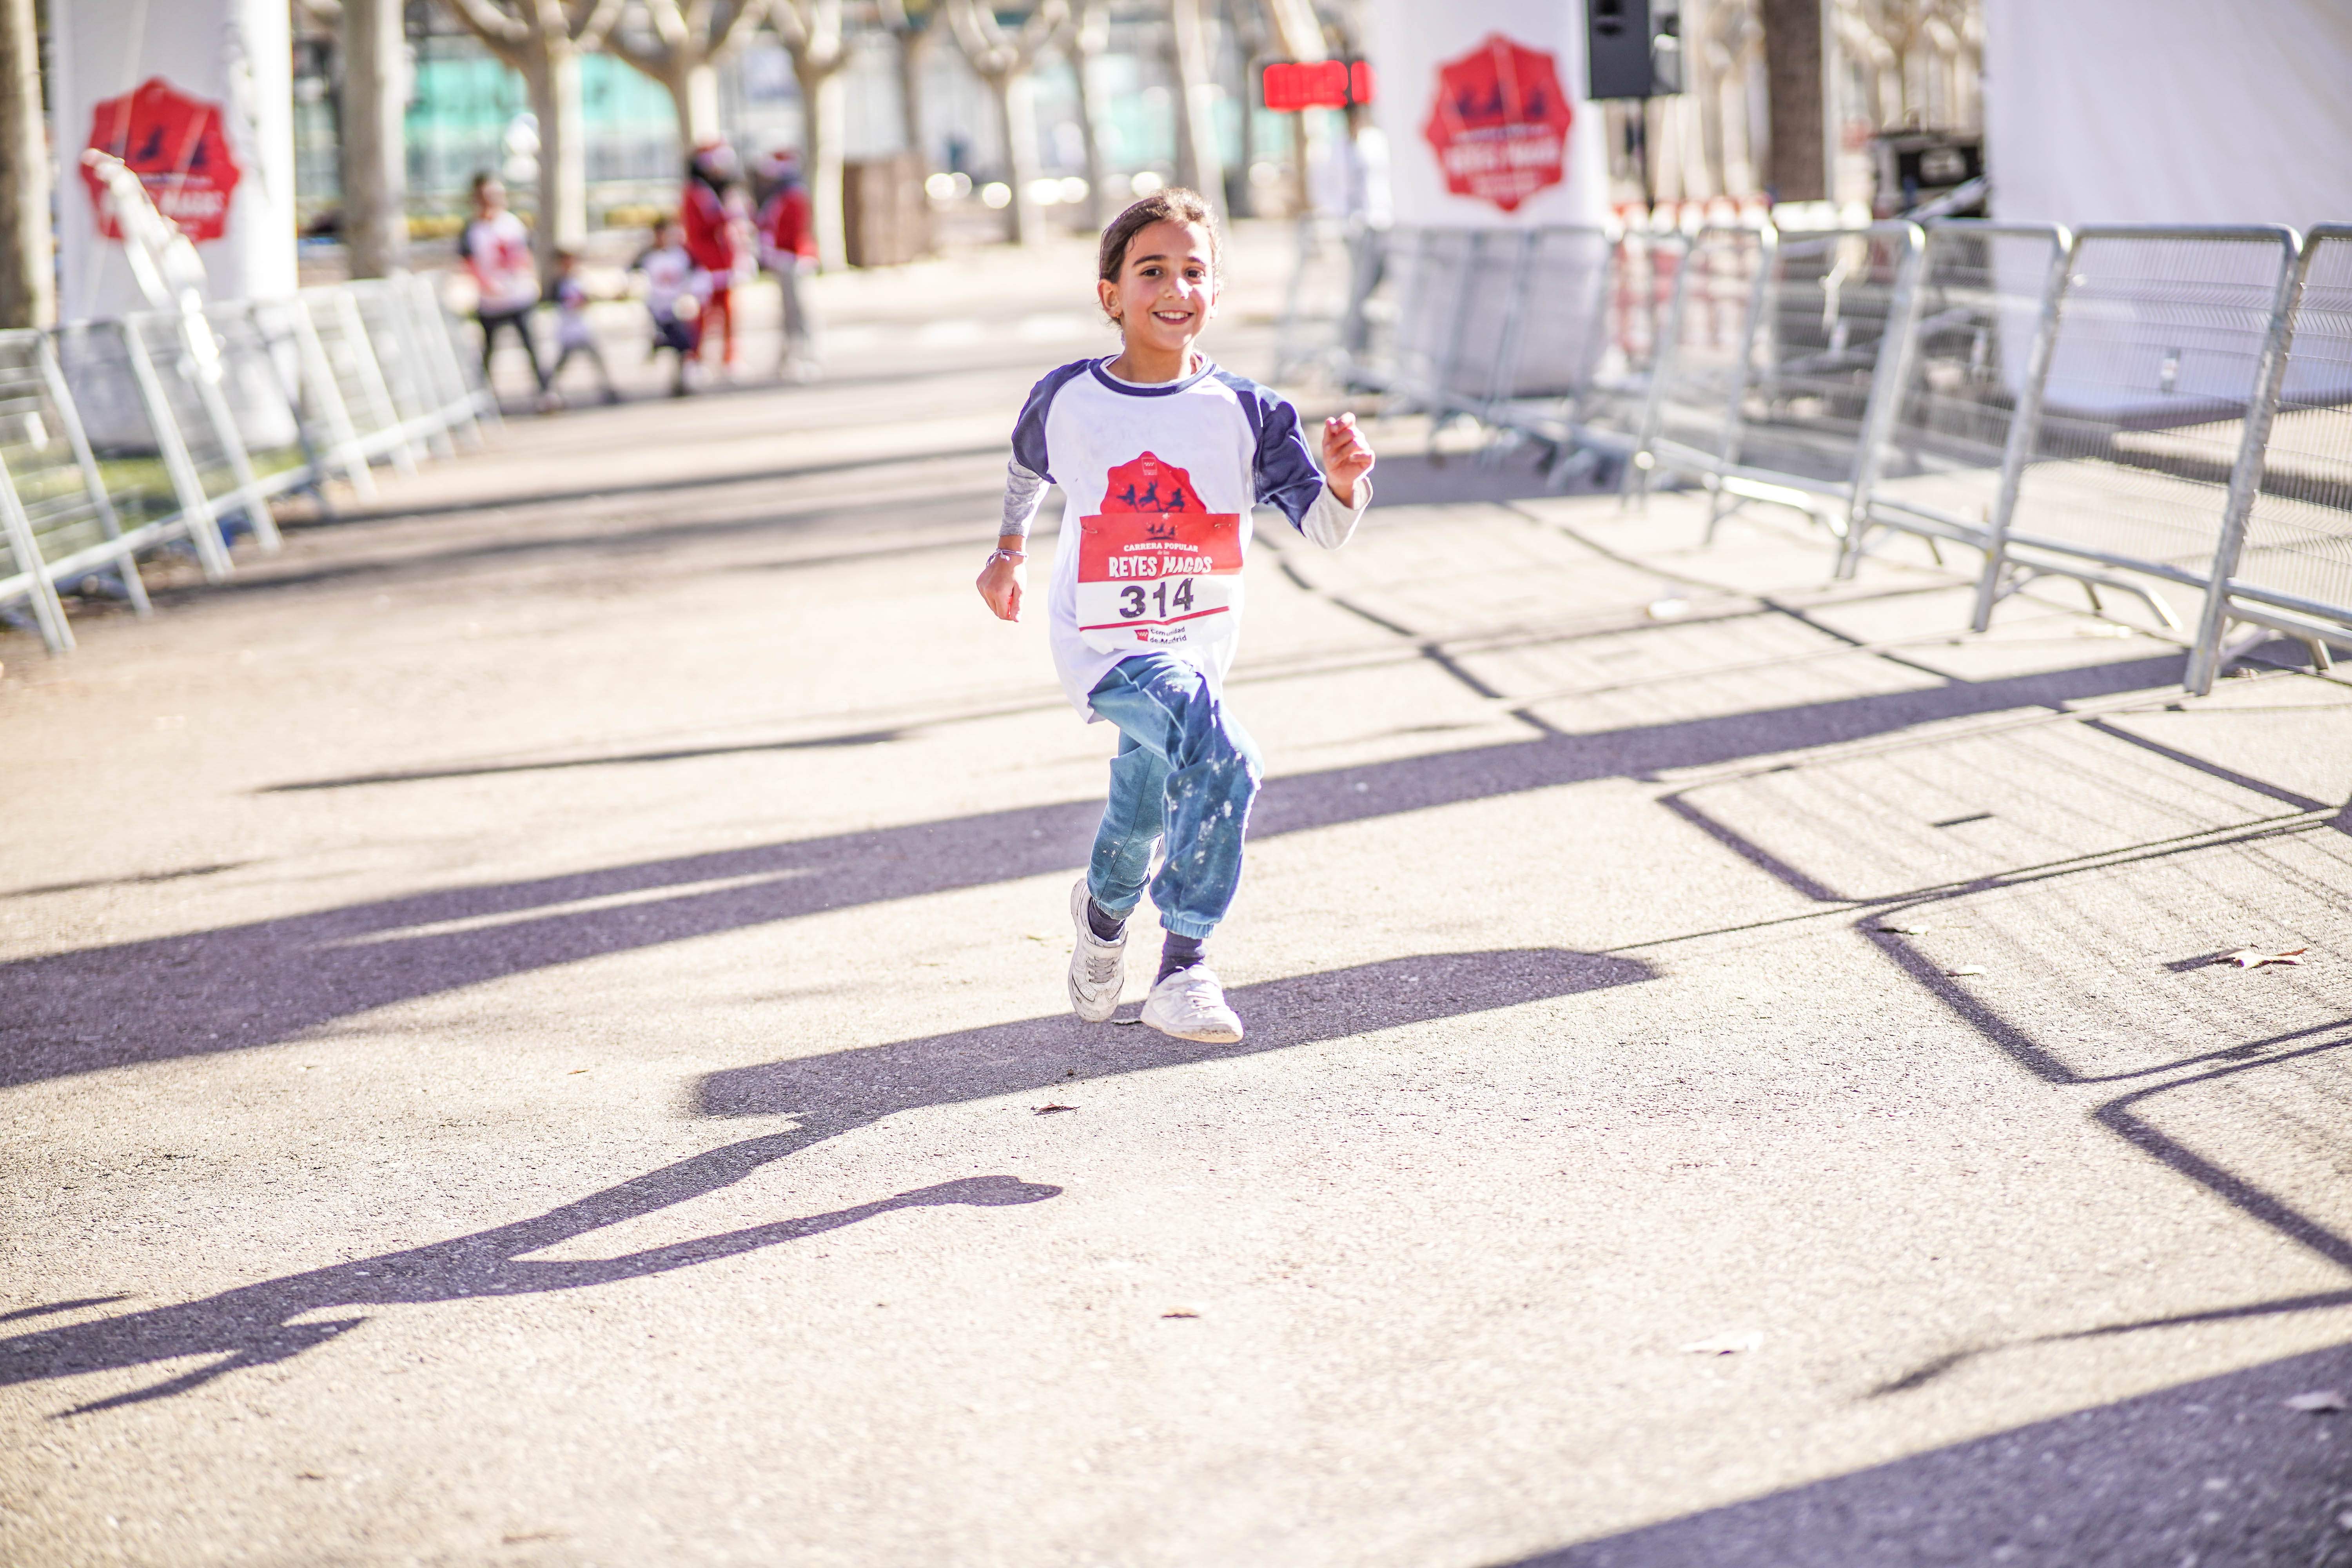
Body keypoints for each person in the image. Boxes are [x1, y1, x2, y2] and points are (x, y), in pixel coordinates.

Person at [975, 188, 1376, 1044]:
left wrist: (1344, 480)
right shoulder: (1069, 397)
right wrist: (1008, 551)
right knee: (1228, 755)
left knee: (1143, 804)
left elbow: (1325, 526)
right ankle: (1185, 965)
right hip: (1105, 644)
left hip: (1197, 645)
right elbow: (1025, 467)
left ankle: (1103, 917)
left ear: (1215, 293)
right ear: (1111, 293)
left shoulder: (1252, 411)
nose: (1175, 288)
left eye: (1194, 271)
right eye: (1151, 270)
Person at [456, 173, 550, 407]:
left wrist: (527, 275)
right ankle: (481, 399)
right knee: (488, 352)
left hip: (519, 296)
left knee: (533, 348)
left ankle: (545, 393)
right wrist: (486, 284)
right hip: (491, 302)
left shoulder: (513, 223)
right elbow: (468, 263)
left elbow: (525, 254)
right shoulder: (472, 230)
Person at [680, 142, 749, 374]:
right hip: (706, 262)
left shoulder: (720, 190)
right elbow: (705, 225)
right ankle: (696, 358)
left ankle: (730, 356)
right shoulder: (696, 192)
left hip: (724, 261)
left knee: (729, 312)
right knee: (704, 316)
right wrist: (730, 214)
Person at [755, 148, 821, 381]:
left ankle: (805, 356)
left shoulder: (793, 195)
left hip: (792, 260)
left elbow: (794, 231)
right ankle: (788, 357)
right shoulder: (779, 195)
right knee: (788, 312)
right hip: (782, 260)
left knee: (797, 312)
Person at [633, 217, 704, 397]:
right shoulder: (648, 256)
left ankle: (680, 380)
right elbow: (633, 276)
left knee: (684, 344)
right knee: (680, 342)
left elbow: (698, 275)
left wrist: (693, 296)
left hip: (678, 306)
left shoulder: (681, 254)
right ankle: (661, 344)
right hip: (658, 308)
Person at [546, 248, 619, 405]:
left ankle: (608, 389)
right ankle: (552, 392)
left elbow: (588, 299)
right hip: (568, 330)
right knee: (561, 365)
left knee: (596, 359)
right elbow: (557, 303)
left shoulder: (580, 280)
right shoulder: (559, 283)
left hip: (583, 328)